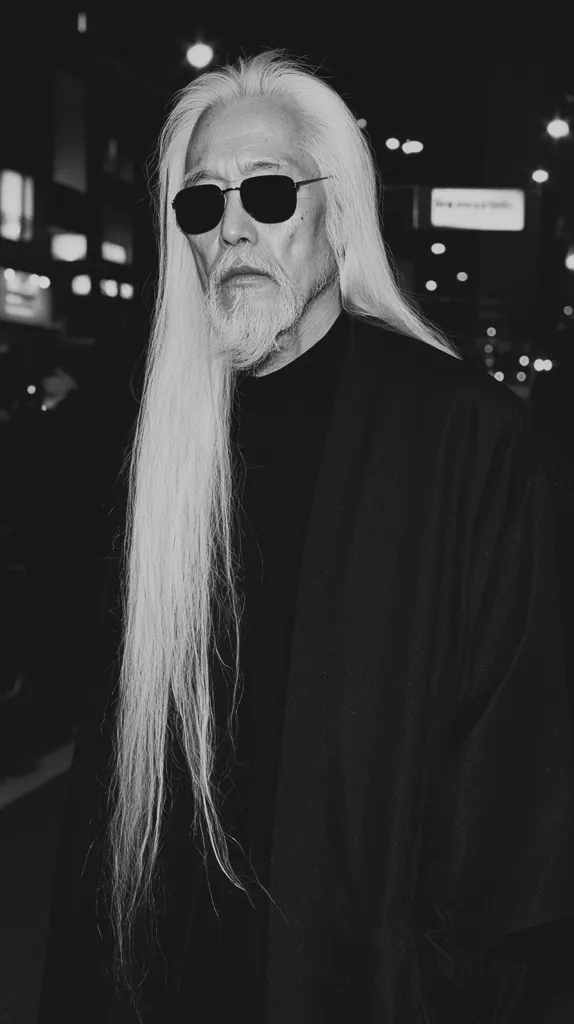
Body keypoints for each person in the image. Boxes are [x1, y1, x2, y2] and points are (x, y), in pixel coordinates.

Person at [38, 50, 574, 1023]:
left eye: (270, 191)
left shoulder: (472, 445)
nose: (233, 224)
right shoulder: (163, 449)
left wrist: (426, 974)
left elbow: (518, 797)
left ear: (338, 214)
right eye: (201, 205)